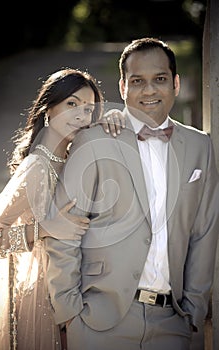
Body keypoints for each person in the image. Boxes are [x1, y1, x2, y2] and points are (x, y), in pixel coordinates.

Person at [44, 38, 219, 350]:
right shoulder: (92, 141)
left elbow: (203, 233)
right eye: (138, 81)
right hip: (98, 323)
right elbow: (63, 230)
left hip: (174, 323)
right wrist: (70, 313)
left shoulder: (200, 146)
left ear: (176, 83)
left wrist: (194, 313)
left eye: (160, 80)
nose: (149, 91)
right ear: (123, 87)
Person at [0, 67, 124, 350]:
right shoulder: (37, 167)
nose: (80, 116)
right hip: (39, 298)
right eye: (72, 104)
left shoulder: (73, 158)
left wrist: (116, 118)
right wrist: (44, 229)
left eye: (88, 110)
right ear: (49, 108)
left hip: (75, 291)